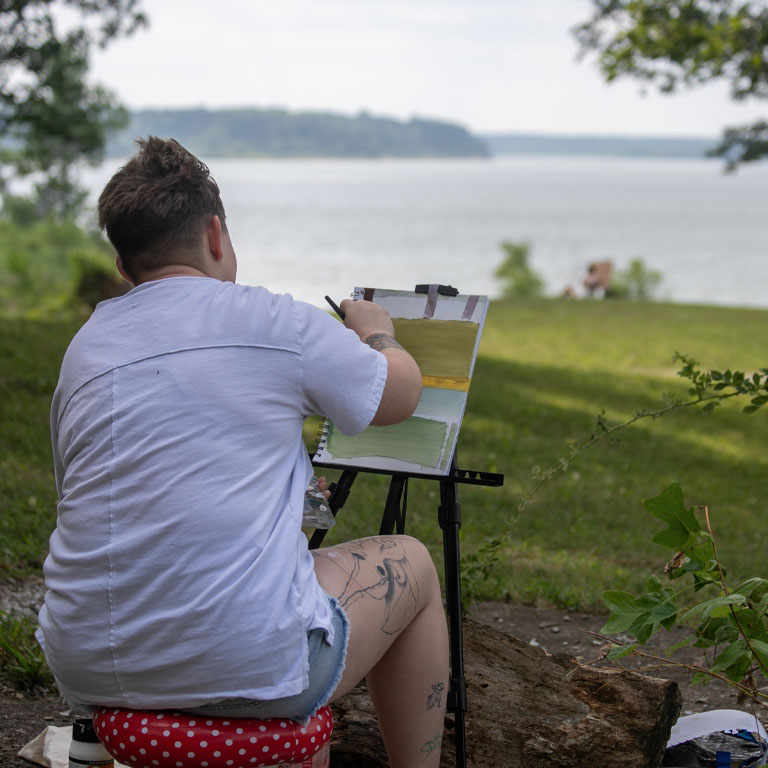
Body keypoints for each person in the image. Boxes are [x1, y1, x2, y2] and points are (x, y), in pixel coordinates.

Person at [36, 137, 449, 768]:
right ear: (216, 234)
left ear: (124, 267)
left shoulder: (86, 349)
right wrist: (375, 332)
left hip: (89, 659)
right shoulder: (274, 322)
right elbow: (399, 395)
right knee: (413, 562)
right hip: (248, 664)